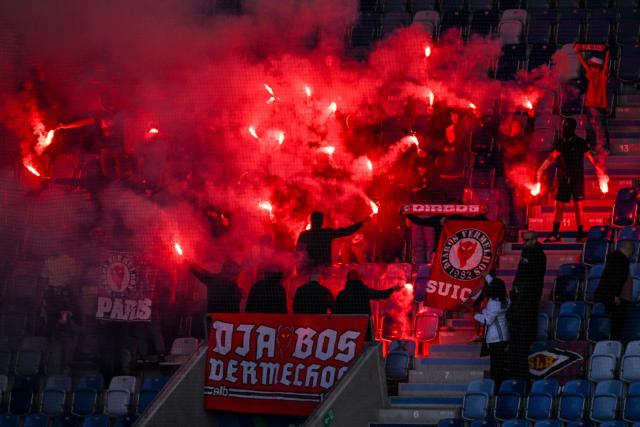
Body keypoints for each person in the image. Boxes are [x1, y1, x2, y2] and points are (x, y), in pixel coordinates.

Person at [536, 117, 603, 242]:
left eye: (566, 127)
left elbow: (590, 157)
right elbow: (552, 157)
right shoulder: (560, 142)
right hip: (563, 178)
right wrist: (541, 169)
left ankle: (581, 234)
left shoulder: (580, 142)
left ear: (572, 128)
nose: (564, 130)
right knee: (559, 206)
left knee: (579, 206)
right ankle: (555, 233)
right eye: (563, 127)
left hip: (577, 178)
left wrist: (600, 170)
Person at [492, 231, 546, 379]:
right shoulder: (525, 253)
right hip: (519, 303)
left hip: (527, 303)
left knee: (521, 345)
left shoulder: (539, 256)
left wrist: (521, 289)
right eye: (524, 240)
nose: (525, 243)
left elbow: (533, 279)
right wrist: (516, 288)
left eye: (528, 240)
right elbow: (520, 273)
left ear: (535, 240)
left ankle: (521, 376)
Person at [296, 211, 367, 271]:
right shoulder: (326, 233)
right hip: (323, 270)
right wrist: (361, 223)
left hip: (308, 269)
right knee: (319, 283)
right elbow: (346, 231)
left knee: (312, 284)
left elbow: (298, 253)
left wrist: (299, 269)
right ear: (321, 221)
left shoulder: (304, 235)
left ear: (311, 220)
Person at [595, 240, 634, 340]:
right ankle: (614, 343)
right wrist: (615, 295)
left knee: (616, 325)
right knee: (617, 325)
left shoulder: (615, 258)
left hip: (613, 296)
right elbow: (617, 278)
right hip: (617, 298)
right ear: (628, 250)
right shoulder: (621, 260)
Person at [473, 277, 510, 386]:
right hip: (502, 336)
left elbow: (488, 320)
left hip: (496, 338)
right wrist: (486, 274)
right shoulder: (506, 300)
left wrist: (475, 315)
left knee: (495, 366)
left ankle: (496, 388)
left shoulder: (494, 303)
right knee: (499, 364)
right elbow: (496, 284)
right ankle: (498, 387)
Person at [575, 44, 610, 153]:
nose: (592, 67)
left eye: (594, 66)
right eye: (592, 65)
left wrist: (607, 52)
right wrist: (577, 53)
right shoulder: (591, 73)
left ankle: (602, 148)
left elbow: (606, 64)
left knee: (599, 127)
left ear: (597, 66)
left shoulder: (602, 75)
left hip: (598, 106)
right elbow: (583, 64)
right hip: (591, 105)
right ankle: (594, 147)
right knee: (591, 127)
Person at [333, 270, 402, 315]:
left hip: (347, 326)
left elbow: (336, 311)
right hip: (363, 324)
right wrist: (393, 289)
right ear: (359, 278)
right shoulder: (364, 291)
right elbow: (381, 294)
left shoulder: (342, 294)